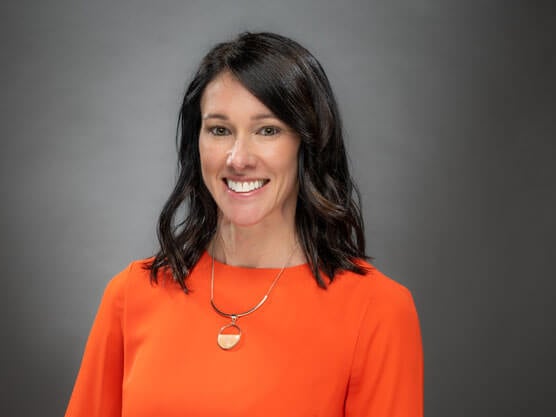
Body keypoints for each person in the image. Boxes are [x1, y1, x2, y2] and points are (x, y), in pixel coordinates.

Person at [64, 32, 423, 417]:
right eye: (220, 130)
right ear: (196, 143)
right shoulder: (131, 294)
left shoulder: (378, 310)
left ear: (308, 143)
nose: (238, 158)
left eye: (267, 130)